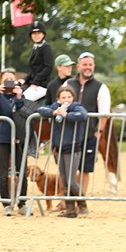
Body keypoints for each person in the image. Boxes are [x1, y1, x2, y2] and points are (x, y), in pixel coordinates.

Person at [67, 51, 112, 211]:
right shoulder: (68, 85)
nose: (88, 67)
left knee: (85, 169)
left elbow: (104, 113)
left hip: (88, 134)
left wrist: (98, 132)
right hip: (69, 134)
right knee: (68, 170)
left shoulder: (101, 87)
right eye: (85, 64)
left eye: (90, 65)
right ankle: (68, 200)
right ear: (78, 66)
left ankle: (81, 201)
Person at [36, 84, 88, 218]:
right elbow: (41, 109)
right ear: (58, 98)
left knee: (71, 181)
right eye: (63, 97)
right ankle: (70, 209)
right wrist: (53, 112)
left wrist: (66, 115)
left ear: (73, 97)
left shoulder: (77, 107)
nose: (66, 99)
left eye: (69, 97)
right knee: (64, 181)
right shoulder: (55, 107)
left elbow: (82, 115)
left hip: (73, 148)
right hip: (59, 149)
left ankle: (83, 206)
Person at [0, 69, 26, 215]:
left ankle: (22, 203)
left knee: (21, 170)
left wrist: (19, 95)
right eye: (6, 79)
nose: (9, 81)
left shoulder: (21, 95)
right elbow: (5, 111)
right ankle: (6, 204)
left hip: (19, 137)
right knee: (2, 171)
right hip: (3, 138)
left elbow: (22, 112)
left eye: (12, 78)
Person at [24, 21, 54, 102]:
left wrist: (35, 82)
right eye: (34, 34)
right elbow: (34, 69)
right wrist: (24, 80)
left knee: (24, 99)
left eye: (38, 33)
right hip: (34, 83)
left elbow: (48, 67)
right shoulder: (35, 49)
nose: (36, 36)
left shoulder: (46, 48)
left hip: (43, 84)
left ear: (43, 34)